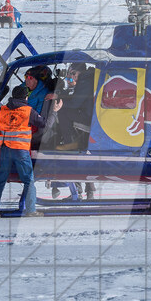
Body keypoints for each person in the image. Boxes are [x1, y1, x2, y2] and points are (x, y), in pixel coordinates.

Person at [0, 85, 45, 217]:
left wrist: (1, 143)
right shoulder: (28, 111)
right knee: (28, 180)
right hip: (21, 150)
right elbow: (43, 124)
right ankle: (31, 210)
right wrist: (54, 111)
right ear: (25, 97)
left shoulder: (2, 110)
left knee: (1, 179)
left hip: (6, 149)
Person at [54, 62, 96, 199]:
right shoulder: (86, 79)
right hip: (86, 116)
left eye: (73, 74)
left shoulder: (85, 82)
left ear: (80, 72)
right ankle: (88, 192)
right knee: (84, 157)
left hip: (87, 118)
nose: (71, 77)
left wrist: (61, 104)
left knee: (63, 112)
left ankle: (68, 139)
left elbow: (75, 103)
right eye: (69, 74)